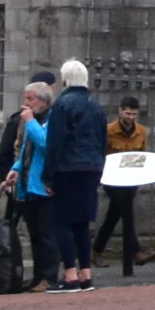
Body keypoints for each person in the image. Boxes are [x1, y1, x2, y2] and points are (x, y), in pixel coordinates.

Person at [38, 60, 109, 292]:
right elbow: (102, 142)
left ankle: (69, 275)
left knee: (62, 222)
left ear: (66, 79)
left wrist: (48, 176)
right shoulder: (96, 106)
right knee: (81, 223)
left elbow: (54, 143)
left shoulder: (62, 105)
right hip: (92, 168)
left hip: (67, 168)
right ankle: (85, 274)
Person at [0, 80, 59, 291]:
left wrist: (31, 122)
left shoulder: (52, 119)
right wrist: (15, 169)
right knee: (34, 234)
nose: (26, 103)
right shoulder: (28, 121)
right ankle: (38, 275)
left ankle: (49, 276)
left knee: (46, 234)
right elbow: (24, 148)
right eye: (26, 98)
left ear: (43, 100)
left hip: (43, 185)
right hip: (27, 184)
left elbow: (46, 144)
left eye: (30, 98)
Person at [92, 95, 154, 268]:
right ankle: (136, 252)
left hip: (131, 179)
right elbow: (101, 153)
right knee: (126, 210)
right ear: (120, 111)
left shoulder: (141, 131)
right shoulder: (108, 130)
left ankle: (96, 251)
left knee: (115, 214)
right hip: (112, 178)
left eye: (134, 114)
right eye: (128, 113)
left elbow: (143, 154)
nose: (131, 118)